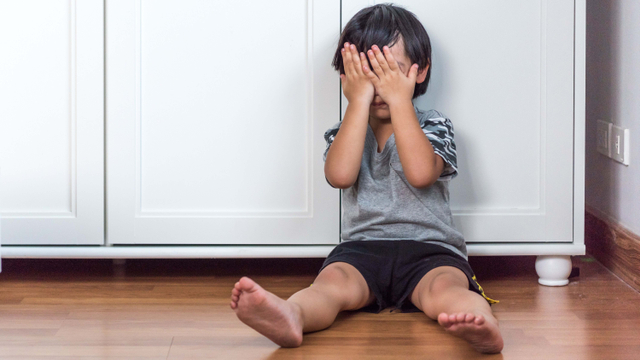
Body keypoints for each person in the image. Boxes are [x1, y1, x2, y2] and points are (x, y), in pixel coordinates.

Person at [230, 3, 504, 354]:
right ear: (348, 78)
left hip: (431, 251)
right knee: (330, 286)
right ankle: (292, 315)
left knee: (446, 292)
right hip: (361, 250)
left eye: (390, 72)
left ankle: (481, 325)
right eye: (368, 75)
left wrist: (399, 100)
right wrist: (357, 104)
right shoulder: (345, 132)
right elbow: (340, 176)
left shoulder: (434, 125)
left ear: (419, 73)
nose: (380, 87)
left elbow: (420, 174)